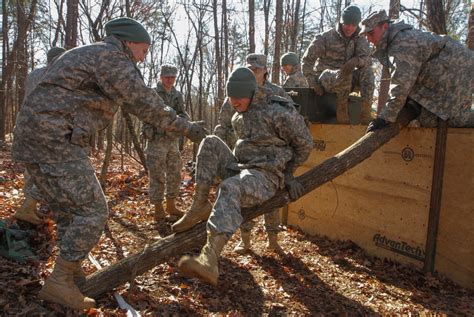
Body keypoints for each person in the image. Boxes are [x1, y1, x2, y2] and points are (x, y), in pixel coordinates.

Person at [11, 17, 207, 310]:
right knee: (94, 211)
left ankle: (71, 273)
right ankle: (60, 281)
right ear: (129, 42)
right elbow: (143, 102)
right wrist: (186, 127)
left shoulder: (95, 53)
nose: (145, 56)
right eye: (144, 49)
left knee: (69, 210)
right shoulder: (111, 57)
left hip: (35, 138)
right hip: (53, 138)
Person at [176, 67, 313, 286]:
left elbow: (305, 144)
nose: (234, 102)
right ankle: (199, 205)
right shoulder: (239, 113)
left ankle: (209, 260)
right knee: (210, 141)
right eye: (231, 96)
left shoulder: (280, 113)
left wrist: (288, 175)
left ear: (251, 92)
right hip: (241, 168)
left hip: (266, 175)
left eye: (239, 96)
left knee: (231, 187)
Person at [183, 53, 293, 254]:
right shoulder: (234, 94)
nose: (252, 73)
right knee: (239, 191)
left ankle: (273, 238)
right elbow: (223, 125)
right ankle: (245, 240)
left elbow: (292, 131)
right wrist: (215, 154)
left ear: (265, 71)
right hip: (241, 158)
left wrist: (289, 170)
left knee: (272, 201)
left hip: (269, 161)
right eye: (249, 69)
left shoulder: (276, 93)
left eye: (256, 70)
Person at [360, 10, 474, 131]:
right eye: (366, 35)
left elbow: (402, 84)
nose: (368, 39)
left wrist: (384, 117)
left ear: (385, 26)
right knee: (426, 118)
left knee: (446, 118)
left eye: (371, 33)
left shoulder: (402, 43)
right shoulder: (396, 39)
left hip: (458, 70)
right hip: (448, 71)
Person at [13, 47, 66, 225]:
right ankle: (29, 205)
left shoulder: (33, 74)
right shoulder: (60, 76)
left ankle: (29, 207)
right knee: (51, 170)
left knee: (32, 169)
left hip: (25, 128)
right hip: (45, 130)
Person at [302, 5, 375, 124]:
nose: (350, 28)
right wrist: (312, 82)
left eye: (353, 25)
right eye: (347, 24)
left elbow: (367, 60)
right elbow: (306, 61)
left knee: (367, 72)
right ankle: (341, 111)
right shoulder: (324, 38)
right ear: (341, 21)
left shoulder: (360, 38)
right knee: (344, 73)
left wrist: (357, 61)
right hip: (326, 79)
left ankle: (365, 113)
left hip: (348, 80)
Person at [142, 64, 190, 221]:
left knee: (175, 173)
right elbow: (146, 114)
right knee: (157, 175)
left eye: (172, 77)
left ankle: (171, 205)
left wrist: (182, 121)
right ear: (161, 77)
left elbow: (183, 113)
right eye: (167, 77)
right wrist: (159, 124)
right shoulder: (153, 93)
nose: (170, 80)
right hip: (156, 140)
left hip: (172, 140)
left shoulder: (177, 95)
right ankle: (158, 208)